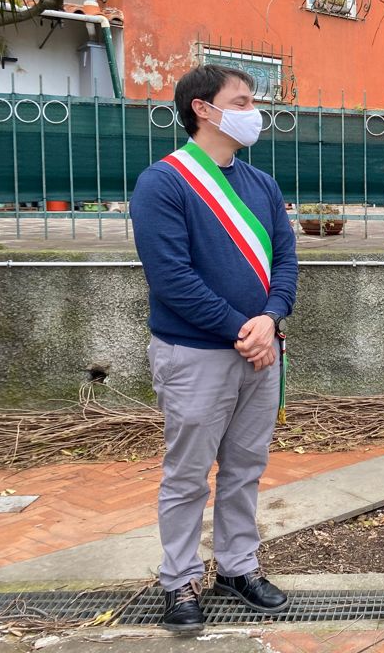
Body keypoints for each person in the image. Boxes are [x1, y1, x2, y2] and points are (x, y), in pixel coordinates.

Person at [131, 65, 298, 633]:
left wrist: (270, 318)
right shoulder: (164, 183)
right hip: (196, 355)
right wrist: (242, 330)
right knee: (187, 475)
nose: (254, 111)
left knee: (245, 468)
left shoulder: (262, 184)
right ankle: (179, 580)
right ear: (203, 109)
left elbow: (285, 260)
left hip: (261, 351)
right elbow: (171, 279)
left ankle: (237, 567)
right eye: (242, 101)